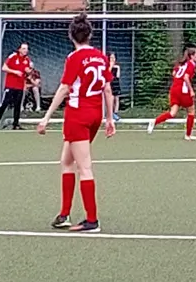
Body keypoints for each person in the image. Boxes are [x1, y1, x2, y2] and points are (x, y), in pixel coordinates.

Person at [36, 12, 115, 233]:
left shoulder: (74, 58)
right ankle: (64, 214)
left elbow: (64, 87)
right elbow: (107, 89)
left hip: (78, 115)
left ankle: (92, 220)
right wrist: (109, 118)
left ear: (71, 36)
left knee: (84, 167)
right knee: (66, 161)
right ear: (90, 35)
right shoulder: (100, 57)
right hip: (94, 115)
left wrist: (46, 117)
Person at [148, 46, 196, 141]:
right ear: (192, 56)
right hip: (183, 90)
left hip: (174, 89)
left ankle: (155, 121)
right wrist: (191, 90)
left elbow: (174, 74)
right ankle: (188, 135)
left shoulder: (181, 64)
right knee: (191, 111)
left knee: (172, 113)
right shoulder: (191, 64)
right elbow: (186, 77)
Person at [0, 42, 33, 130]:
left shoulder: (27, 60)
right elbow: (4, 68)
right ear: (19, 49)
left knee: (17, 105)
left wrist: (29, 71)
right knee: (4, 104)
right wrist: (15, 72)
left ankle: (16, 124)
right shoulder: (13, 56)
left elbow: (28, 72)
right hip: (10, 86)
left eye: (26, 49)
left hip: (20, 86)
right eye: (23, 48)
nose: (26, 50)